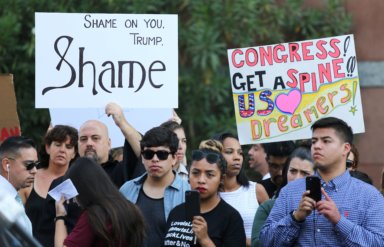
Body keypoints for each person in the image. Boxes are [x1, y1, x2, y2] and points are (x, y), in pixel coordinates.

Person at [260, 117, 384, 246]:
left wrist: (339, 221)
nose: (317, 146)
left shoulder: (369, 195)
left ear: (345, 148)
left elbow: (379, 243)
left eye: (326, 141)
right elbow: (266, 241)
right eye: (314, 141)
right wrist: (295, 217)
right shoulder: (290, 191)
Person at [163, 139, 246, 246]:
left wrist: (205, 240)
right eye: (196, 173)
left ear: (221, 178)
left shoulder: (231, 218)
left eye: (210, 174)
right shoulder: (176, 212)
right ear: (188, 176)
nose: (201, 180)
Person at [120, 126, 190, 247]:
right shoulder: (127, 189)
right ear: (142, 158)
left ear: (174, 158)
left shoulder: (188, 192)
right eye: (148, 154)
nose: (155, 159)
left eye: (162, 154)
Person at [54, 157, 145, 247]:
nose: (74, 198)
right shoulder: (131, 209)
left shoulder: (94, 215)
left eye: (74, 190)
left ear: (83, 187)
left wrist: (60, 216)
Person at [16, 125, 77, 245]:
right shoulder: (30, 177)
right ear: (48, 147)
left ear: (74, 153)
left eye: (68, 147)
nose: (62, 150)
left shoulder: (78, 182)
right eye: (58, 144)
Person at [251, 146, 315, 247]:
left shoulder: (323, 206)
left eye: (305, 173)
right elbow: (258, 243)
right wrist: (295, 217)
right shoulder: (269, 207)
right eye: (293, 171)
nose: (297, 178)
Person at [214, 132, 268, 247]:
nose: (237, 157)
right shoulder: (208, 196)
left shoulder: (256, 190)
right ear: (215, 155)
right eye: (229, 152)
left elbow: (273, 232)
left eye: (240, 153)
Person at [0, 136, 38, 236]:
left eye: (36, 165)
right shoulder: (2, 199)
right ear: (6, 164)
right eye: (29, 165)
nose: (34, 170)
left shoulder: (11, 196)